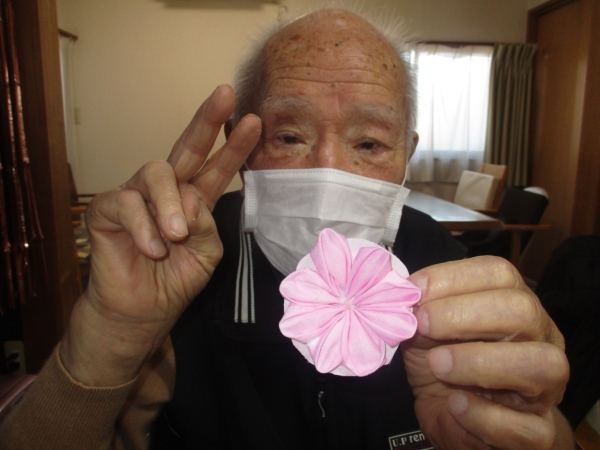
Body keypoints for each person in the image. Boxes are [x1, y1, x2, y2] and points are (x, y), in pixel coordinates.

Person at [0, 7, 573, 450]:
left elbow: (539, 426)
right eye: (289, 137)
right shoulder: (177, 273)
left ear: (407, 154)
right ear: (243, 148)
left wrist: (530, 429)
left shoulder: (448, 272)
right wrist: (108, 336)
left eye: (369, 143)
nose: (328, 170)